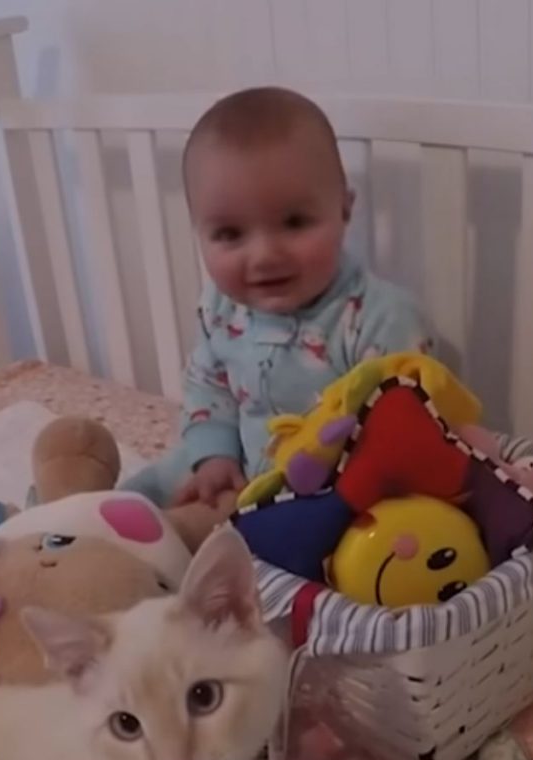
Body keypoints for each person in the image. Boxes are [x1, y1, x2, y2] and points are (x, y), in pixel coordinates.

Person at [121, 86, 431, 508]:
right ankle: (75, 529)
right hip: (237, 463)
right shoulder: (220, 306)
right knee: (147, 493)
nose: (265, 255)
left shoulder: (378, 317)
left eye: (294, 222)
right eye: (230, 234)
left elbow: (404, 428)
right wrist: (213, 455)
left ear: (344, 209)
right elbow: (208, 386)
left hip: (333, 491)